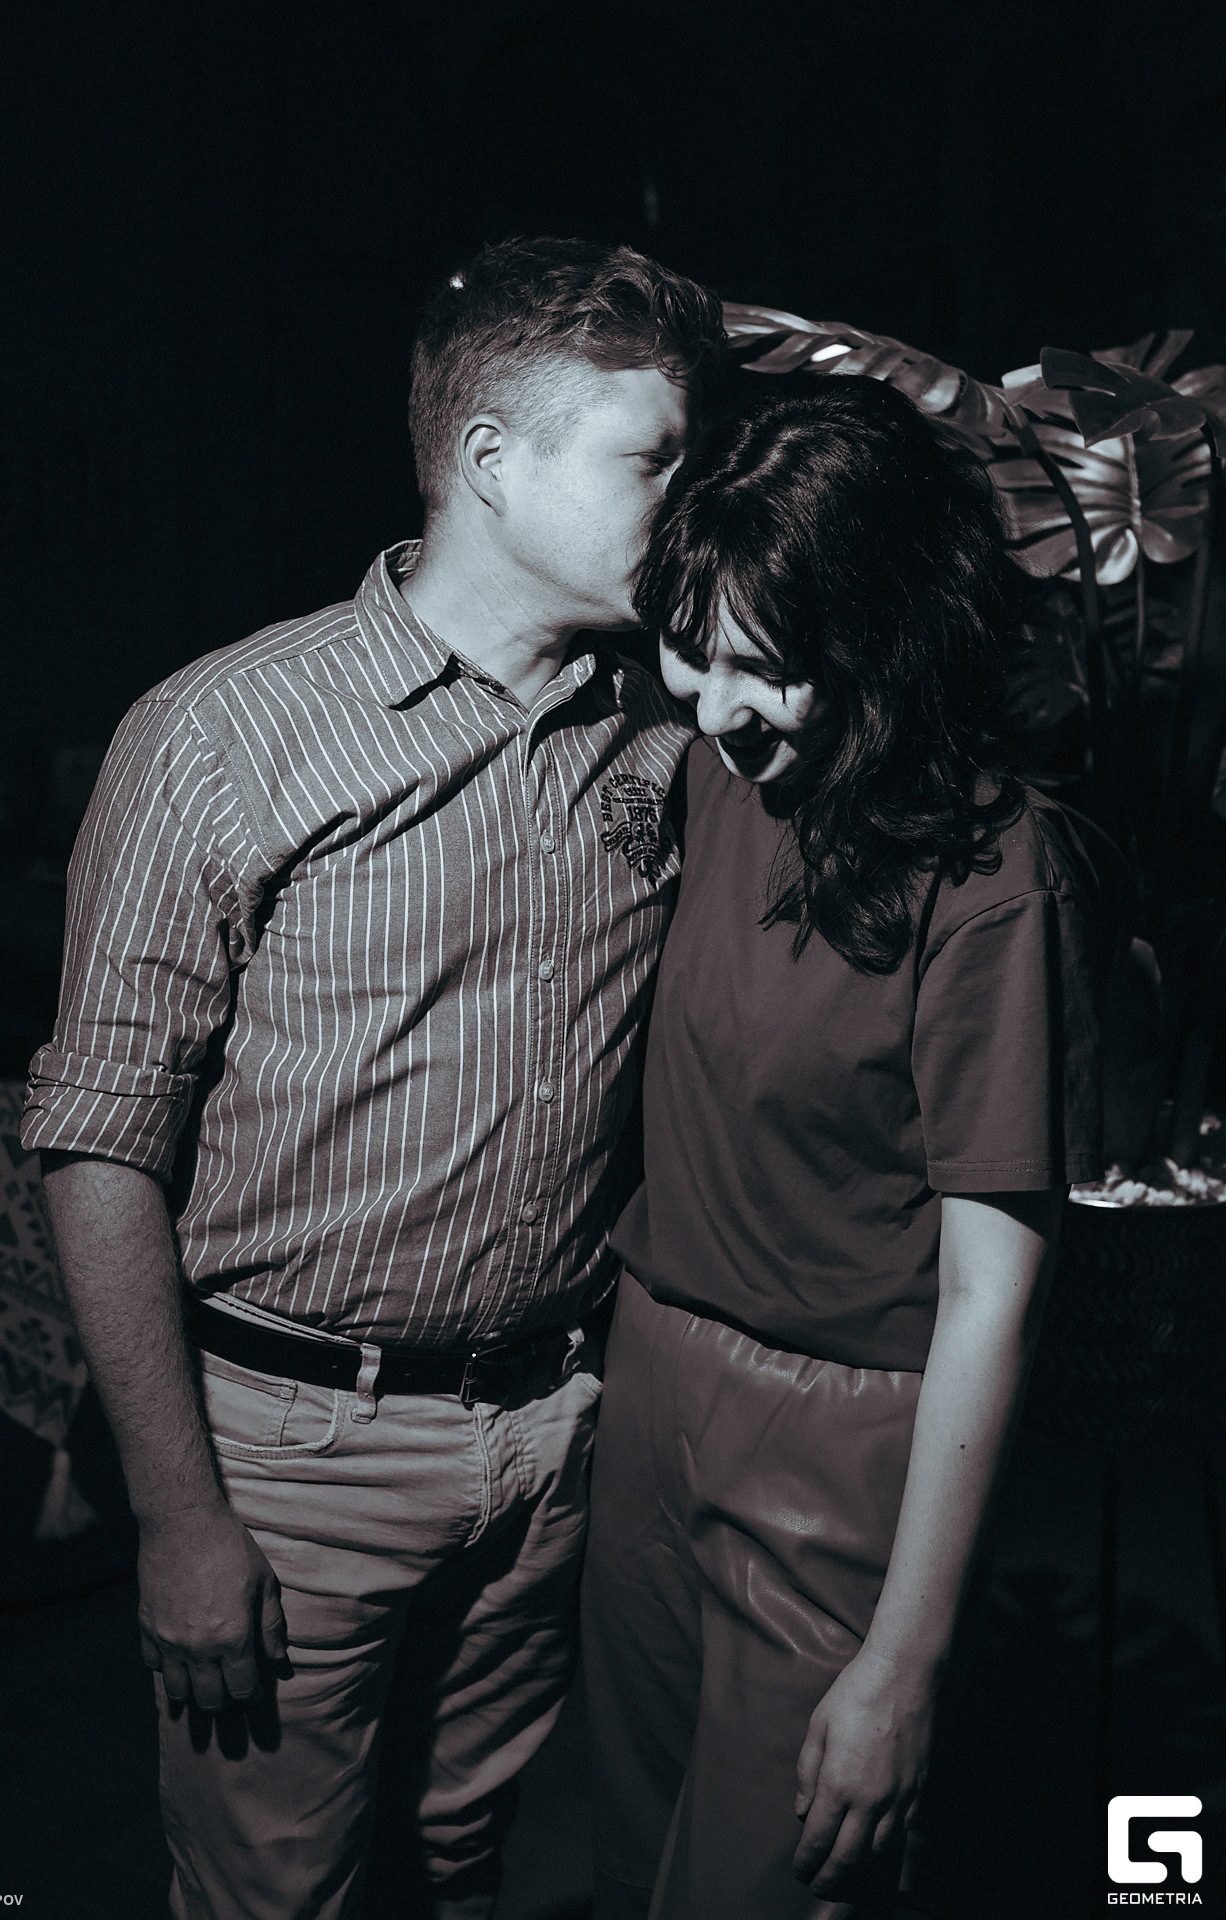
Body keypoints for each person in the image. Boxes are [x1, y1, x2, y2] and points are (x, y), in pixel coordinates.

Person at [20, 236, 723, 1920]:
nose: (688, 503)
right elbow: (98, 1144)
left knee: (456, 1867)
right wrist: (181, 1519)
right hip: (290, 1453)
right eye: (652, 460)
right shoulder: (220, 734)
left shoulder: (665, 724)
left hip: (551, 1431)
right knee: (276, 1893)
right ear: (491, 460)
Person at [580, 374, 1104, 1920]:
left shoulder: (994, 877)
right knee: (631, 1864)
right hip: (649, 1372)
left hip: (843, 1433)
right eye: (693, 648)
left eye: (769, 667)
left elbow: (991, 1298)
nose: (714, 706)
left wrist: (902, 1663)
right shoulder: (711, 774)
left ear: (884, 641)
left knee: (767, 1882)